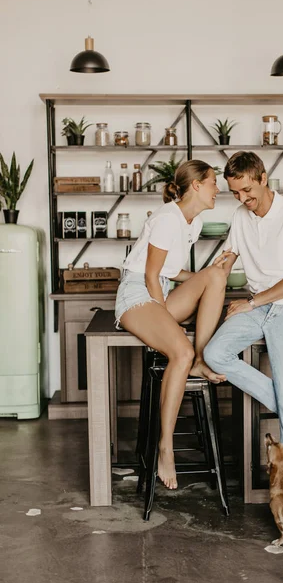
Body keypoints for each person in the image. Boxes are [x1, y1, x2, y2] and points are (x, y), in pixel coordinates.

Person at [204, 151, 283, 482]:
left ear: (263, 178)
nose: (243, 200)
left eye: (247, 192)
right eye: (236, 193)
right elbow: (227, 259)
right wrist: (202, 279)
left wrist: (251, 302)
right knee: (214, 354)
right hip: (260, 307)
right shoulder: (241, 216)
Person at [115, 160, 227, 490]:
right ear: (196, 185)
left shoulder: (192, 222)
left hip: (159, 291)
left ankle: (201, 360)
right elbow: (149, 274)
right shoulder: (166, 218)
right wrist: (168, 323)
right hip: (137, 294)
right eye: (213, 183)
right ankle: (166, 447)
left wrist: (203, 279)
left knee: (217, 276)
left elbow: (170, 271)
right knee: (179, 352)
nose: (217, 189)